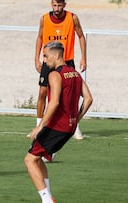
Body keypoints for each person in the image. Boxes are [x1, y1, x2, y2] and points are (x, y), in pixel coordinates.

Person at [25, 41, 93, 203]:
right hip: (69, 127)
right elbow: (89, 99)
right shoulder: (75, 74)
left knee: (29, 160)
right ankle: (48, 195)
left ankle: (46, 199)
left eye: (46, 56)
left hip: (57, 126)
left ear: (56, 55)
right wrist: (76, 119)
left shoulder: (55, 75)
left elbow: (54, 103)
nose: (44, 60)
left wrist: (39, 126)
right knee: (38, 158)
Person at [35, 0, 87, 142]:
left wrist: (84, 58)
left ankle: (75, 125)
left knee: (72, 94)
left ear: (64, 4)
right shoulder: (44, 19)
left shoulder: (72, 18)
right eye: (54, 5)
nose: (56, 8)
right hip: (49, 62)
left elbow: (81, 36)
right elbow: (39, 37)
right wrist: (36, 58)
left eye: (59, 5)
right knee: (42, 93)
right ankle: (39, 125)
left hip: (67, 61)